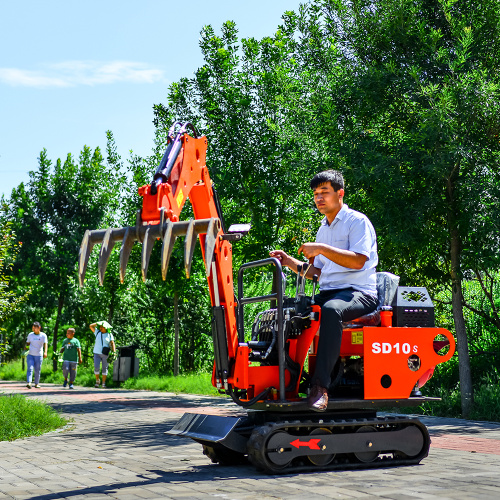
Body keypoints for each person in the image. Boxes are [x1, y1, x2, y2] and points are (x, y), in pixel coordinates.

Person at [270, 170, 378, 412]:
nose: (319, 198)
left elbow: (358, 261)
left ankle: (320, 387)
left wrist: (320, 247)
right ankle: (287, 380)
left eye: (324, 193)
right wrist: (288, 262)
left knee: (330, 311)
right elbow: (316, 272)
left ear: (340, 194)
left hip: (359, 293)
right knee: (288, 310)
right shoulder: (323, 229)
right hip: (329, 291)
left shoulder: (357, 222)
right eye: (316, 194)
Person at [90, 321, 116, 388]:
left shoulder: (109, 334)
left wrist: (114, 352)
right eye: (100, 327)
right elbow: (91, 326)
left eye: (102, 327)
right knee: (96, 367)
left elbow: (112, 343)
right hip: (96, 352)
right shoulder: (97, 332)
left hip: (105, 353)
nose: (101, 328)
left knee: (105, 368)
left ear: (106, 328)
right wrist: (99, 323)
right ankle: (97, 380)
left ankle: (103, 383)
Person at [25, 321, 48, 389]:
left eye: (34, 328)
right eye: (32, 328)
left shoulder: (43, 335)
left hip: (39, 355)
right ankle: (29, 383)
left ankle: (36, 383)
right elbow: (28, 343)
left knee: (37, 370)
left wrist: (45, 352)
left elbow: (45, 344)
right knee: (30, 368)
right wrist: (26, 347)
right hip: (30, 355)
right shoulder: (30, 335)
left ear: (39, 328)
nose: (33, 329)